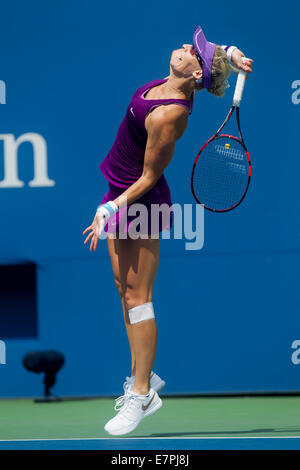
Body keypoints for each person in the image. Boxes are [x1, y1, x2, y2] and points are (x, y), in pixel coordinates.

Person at [83, 25, 253, 436]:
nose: (182, 47)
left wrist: (110, 207)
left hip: (138, 202)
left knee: (139, 299)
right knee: (124, 293)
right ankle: (142, 378)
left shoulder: (171, 112)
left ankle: (142, 394)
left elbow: (148, 175)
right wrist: (229, 53)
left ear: (195, 73)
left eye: (191, 51)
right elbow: (212, 61)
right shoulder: (170, 81)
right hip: (119, 192)